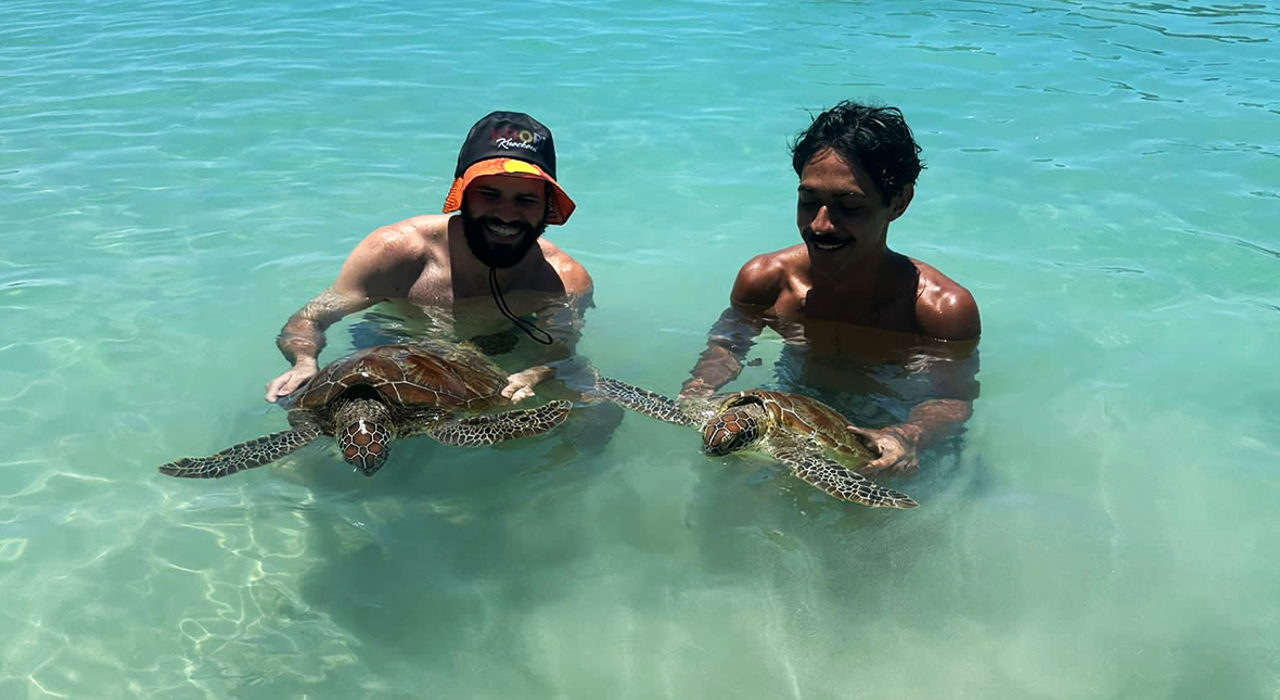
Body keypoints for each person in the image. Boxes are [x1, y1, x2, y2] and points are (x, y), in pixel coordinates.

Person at [681, 100, 981, 474]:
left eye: (849, 206)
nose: (821, 225)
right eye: (809, 201)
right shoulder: (766, 280)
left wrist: (907, 436)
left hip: (893, 421)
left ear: (899, 202)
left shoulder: (940, 309)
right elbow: (727, 347)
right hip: (791, 412)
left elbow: (952, 399)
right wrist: (697, 392)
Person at [265, 111, 592, 404]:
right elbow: (310, 319)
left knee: (591, 412)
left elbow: (560, 353)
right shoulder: (394, 252)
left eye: (525, 200)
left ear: (546, 207)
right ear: (463, 195)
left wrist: (535, 373)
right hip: (394, 344)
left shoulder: (564, 279)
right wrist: (304, 360)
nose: (506, 215)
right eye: (489, 195)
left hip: (501, 346)